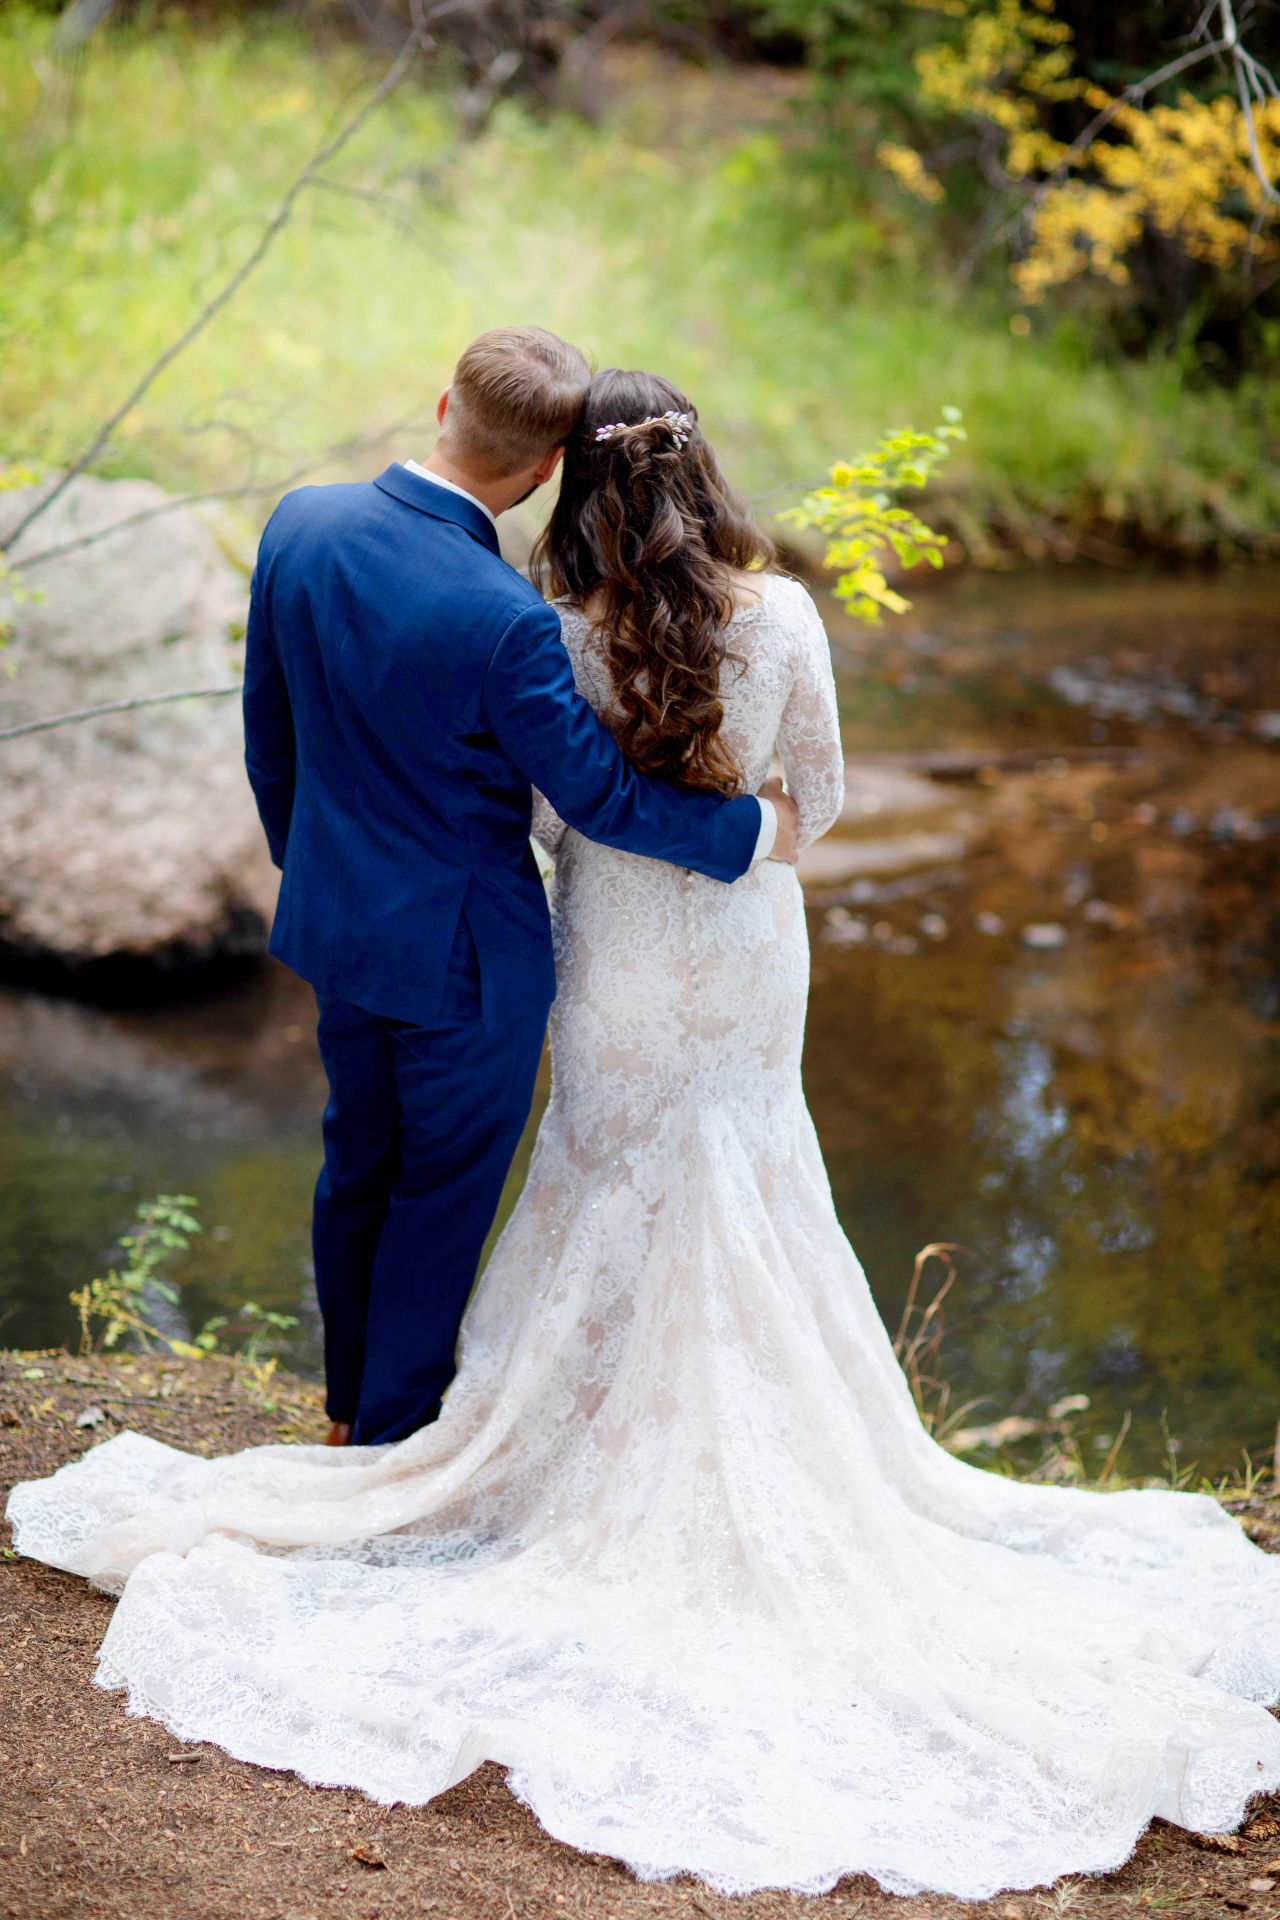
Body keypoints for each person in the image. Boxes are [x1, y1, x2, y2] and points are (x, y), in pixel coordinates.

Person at [8, 371, 1280, 1903]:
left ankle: (471, 1425)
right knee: (747, 1178)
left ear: (571, 480)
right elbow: (818, 800)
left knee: (562, 1181)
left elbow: (559, 814)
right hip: (745, 959)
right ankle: (616, 1425)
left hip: (602, 960)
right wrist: (745, 836)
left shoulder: (543, 624)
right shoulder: (786, 617)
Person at [240, 326, 797, 1447]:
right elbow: (596, 797)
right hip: (466, 961)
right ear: (545, 470)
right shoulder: (501, 616)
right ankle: (392, 1436)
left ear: (440, 402)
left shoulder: (299, 523)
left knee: (357, 1160)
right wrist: (746, 832)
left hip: (337, 928)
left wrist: (317, 875)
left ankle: (351, 1403)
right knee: (438, 1193)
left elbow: (270, 738)